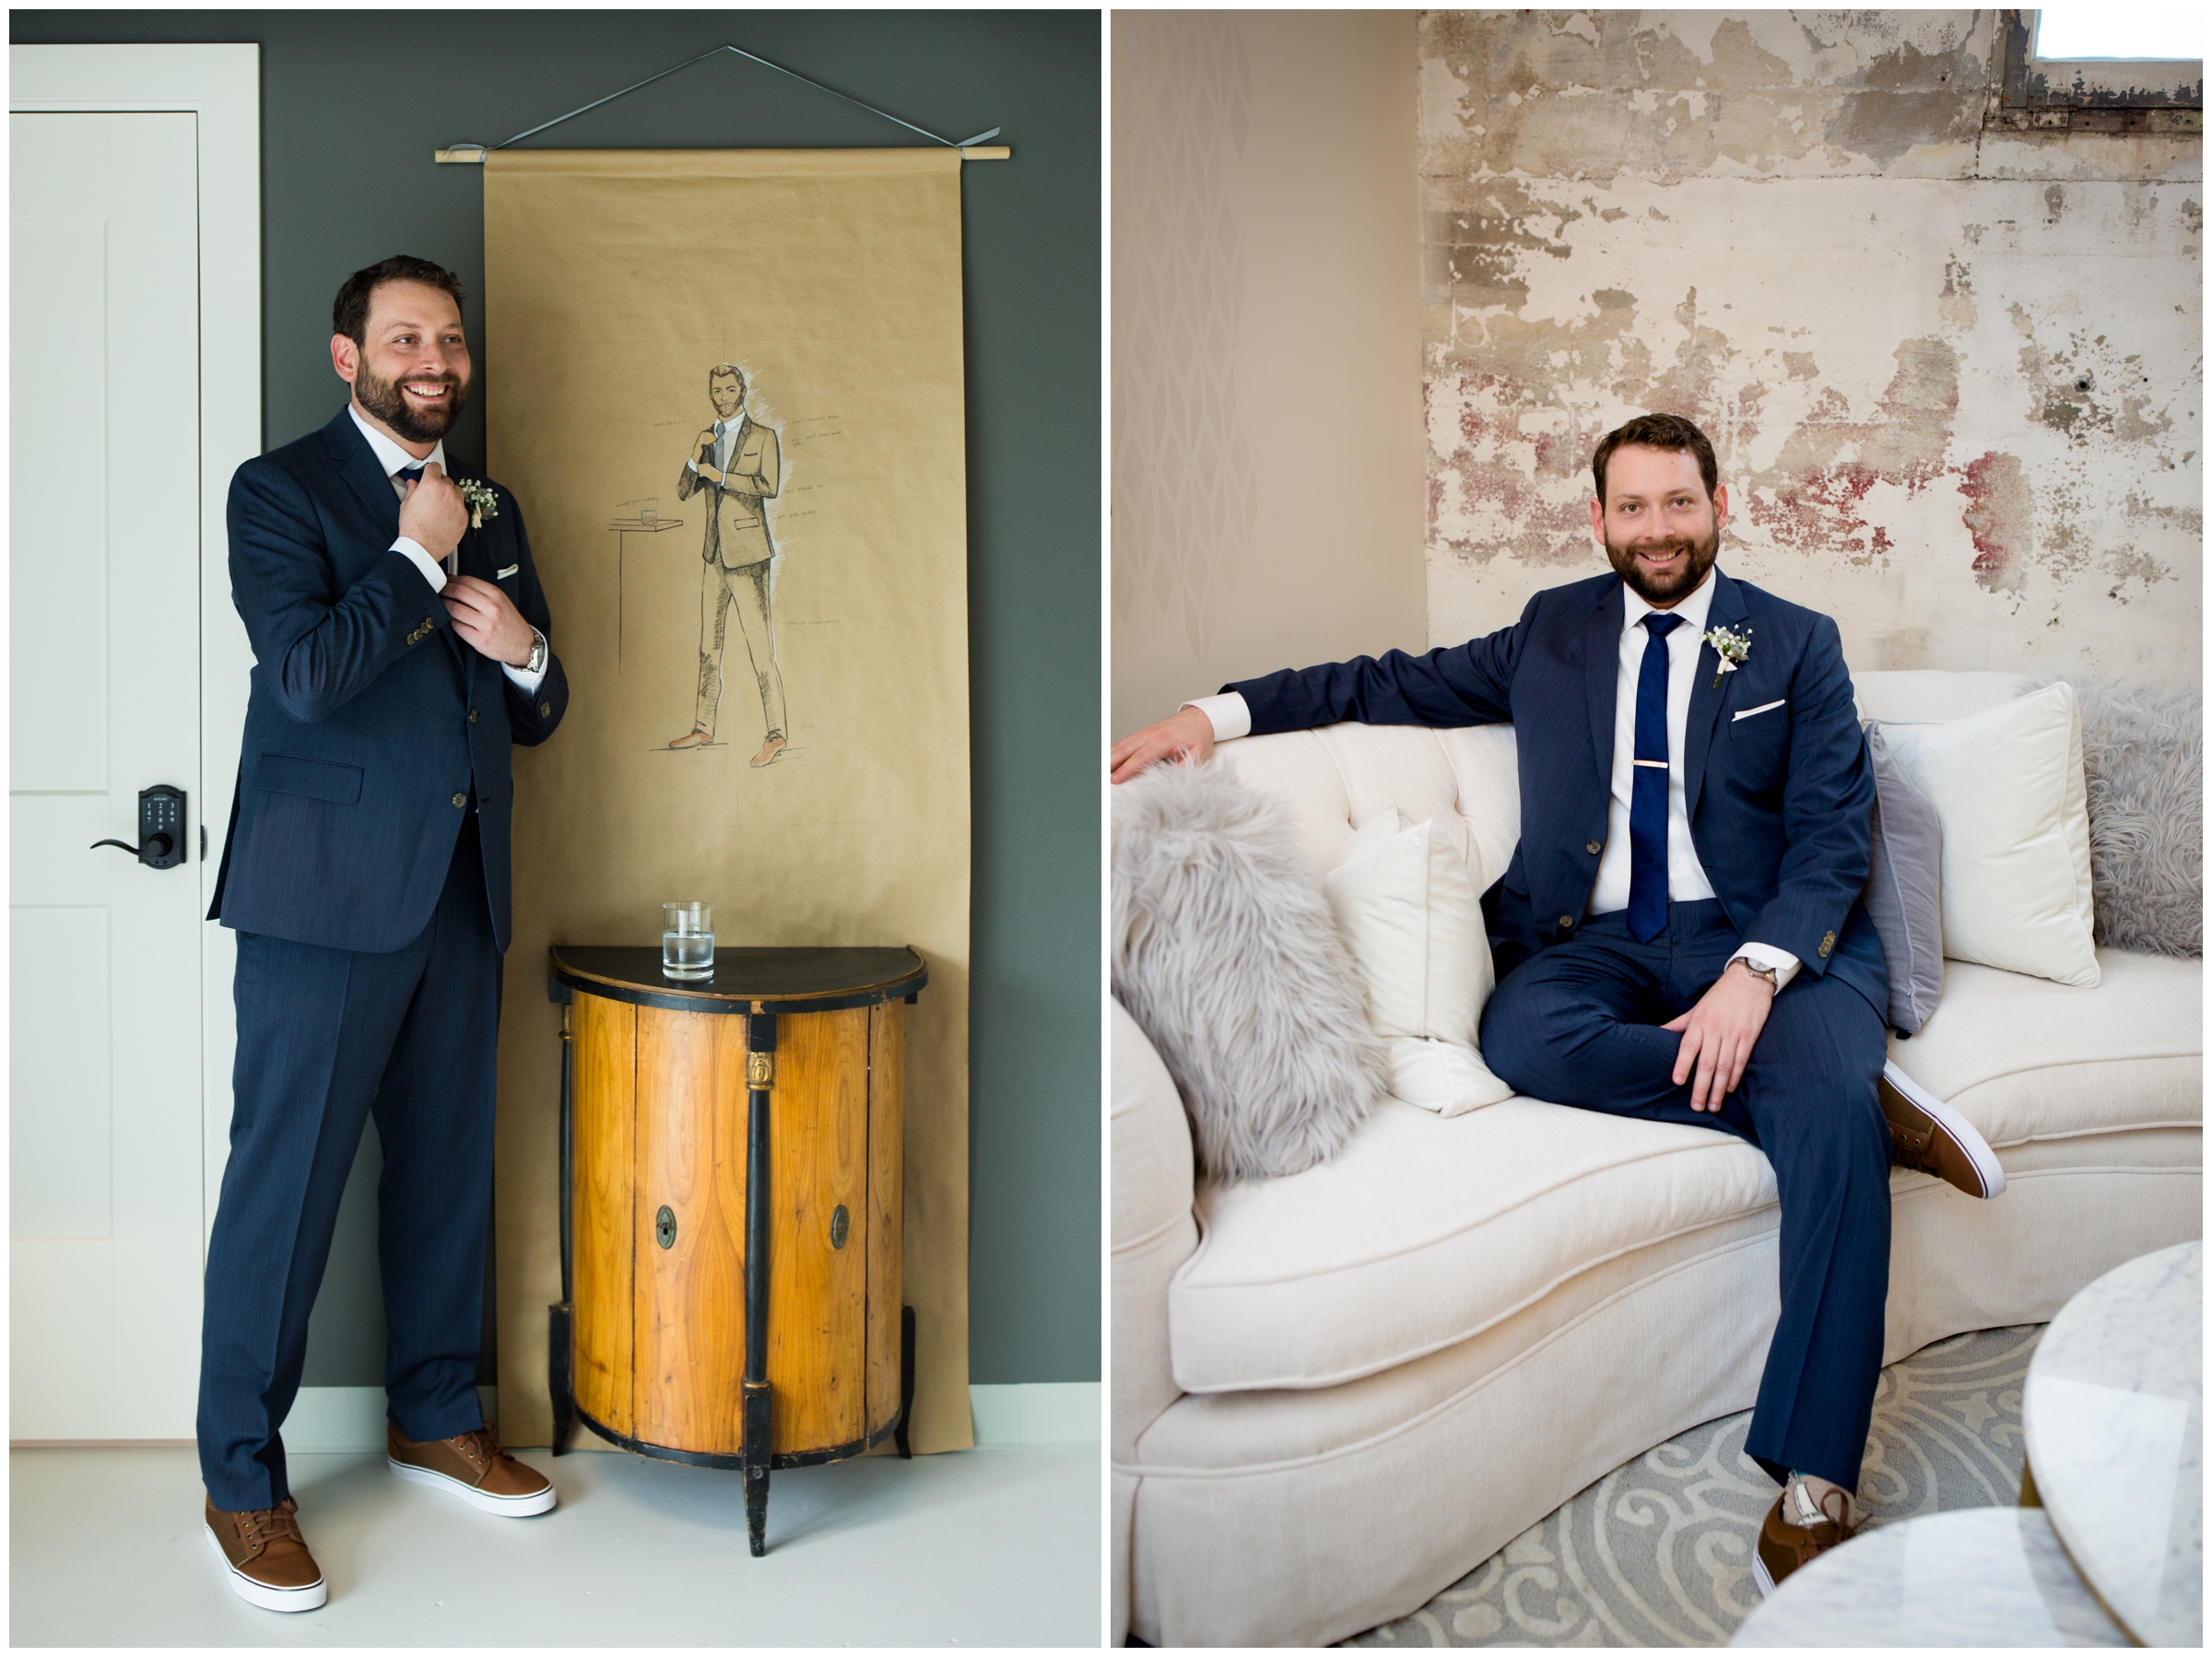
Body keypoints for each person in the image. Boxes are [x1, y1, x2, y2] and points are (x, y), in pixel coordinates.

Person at [1109, 412, 2005, 1596]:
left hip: (1776, 947)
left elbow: (1835, 837)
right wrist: (1211, 717)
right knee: (1526, 1035)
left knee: (1821, 1088)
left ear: (1718, 504)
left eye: (1677, 503)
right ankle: (1847, 1106)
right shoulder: (1553, 632)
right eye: (1630, 508)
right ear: (1598, 520)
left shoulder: (1793, 644)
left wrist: (1756, 975)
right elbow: (1382, 682)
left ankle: (1816, 1479)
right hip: (1601, 949)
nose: (1656, 529)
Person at [199, 254, 568, 1613]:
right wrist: (416, 555)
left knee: (446, 1178)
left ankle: (433, 1411)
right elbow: (302, 678)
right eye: (406, 336)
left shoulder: (497, 499)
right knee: (281, 1192)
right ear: (348, 357)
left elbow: (539, 700)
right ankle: (241, 1478)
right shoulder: (278, 491)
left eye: (451, 338)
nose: (436, 358)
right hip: (318, 902)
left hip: (461, 894)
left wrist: (526, 647)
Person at [666, 363, 787, 767]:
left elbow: (769, 486)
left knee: (760, 648)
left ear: (743, 391)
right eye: (716, 391)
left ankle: (777, 733)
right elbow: (684, 491)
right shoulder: (708, 437)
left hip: (749, 554)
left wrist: (720, 476)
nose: (722, 397)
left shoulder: (764, 437)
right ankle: (703, 726)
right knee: (708, 648)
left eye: (729, 390)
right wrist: (694, 452)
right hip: (714, 554)